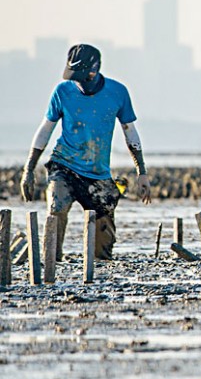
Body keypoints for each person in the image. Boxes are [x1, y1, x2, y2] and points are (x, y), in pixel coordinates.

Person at [20, 44, 151, 259]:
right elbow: (45, 130)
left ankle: (100, 267)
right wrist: (29, 170)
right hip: (63, 165)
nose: (77, 82)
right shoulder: (63, 91)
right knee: (57, 207)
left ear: (94, 69)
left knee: (104, 223)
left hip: (98, 173)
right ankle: (51, 262)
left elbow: (131, 134)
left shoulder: (117, 92)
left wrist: (142, 172)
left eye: (81, 77)